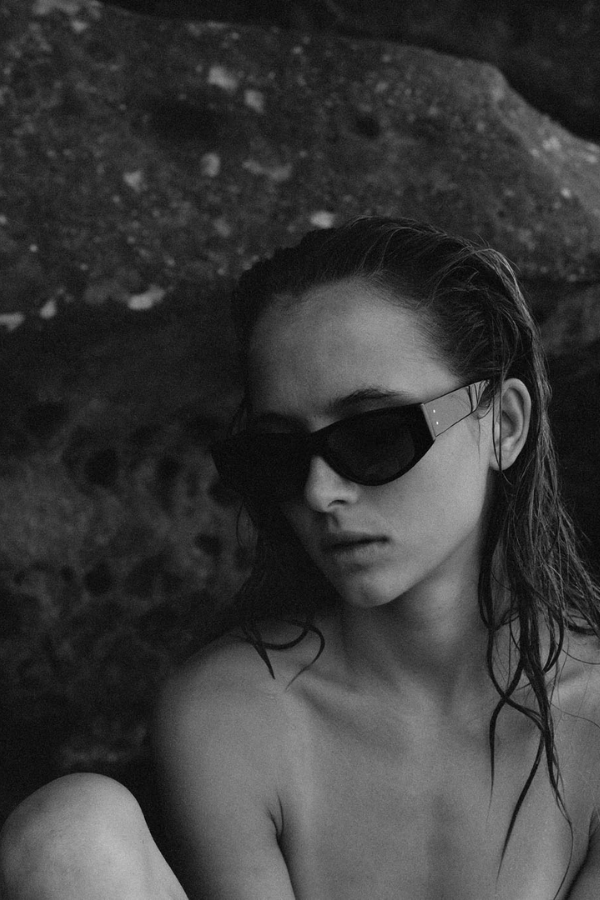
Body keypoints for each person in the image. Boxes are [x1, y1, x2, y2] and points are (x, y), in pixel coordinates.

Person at [2, 215, 600, 900]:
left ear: (505, 424)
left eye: (374, 434)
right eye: (279, 454)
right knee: (71, 830)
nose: (319, 492)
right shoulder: (236, 711)